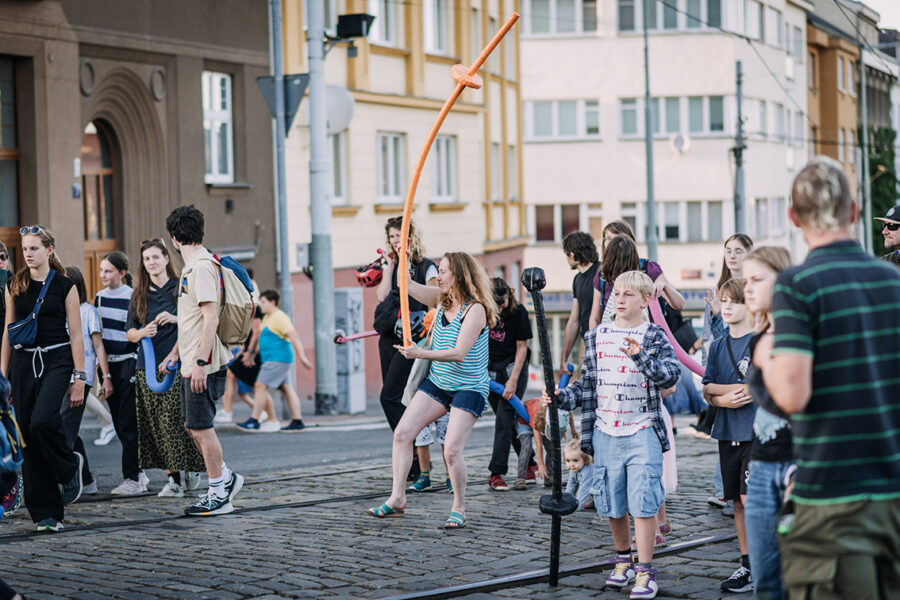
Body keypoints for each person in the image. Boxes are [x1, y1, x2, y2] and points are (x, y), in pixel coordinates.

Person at [761, 157, 900, 599]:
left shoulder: (798, 285)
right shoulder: (893, 280)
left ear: (793, 217)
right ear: (855, 213)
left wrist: (765, 357)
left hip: (832, 500)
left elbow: (794, 394)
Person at [550, 270, 680, 599]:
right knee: (613, 501)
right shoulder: (596, 336)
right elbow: (588, 383)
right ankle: (623, 559)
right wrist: (563, 396)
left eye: (628, 295)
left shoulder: (653, 335)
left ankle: (645, 571)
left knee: (643, 500)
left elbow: (669, 376)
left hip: (643, 429)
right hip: (606, 431)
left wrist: (640, 356)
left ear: (646, 300)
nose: (619, 299)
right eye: (616, 294)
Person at [368, 252, 497, 530]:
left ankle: (459, 507)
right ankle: (397, 497)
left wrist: (420, 353)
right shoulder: (441, 299)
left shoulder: (475, 310)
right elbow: (407, 286)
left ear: (460, 275)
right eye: (438, 270)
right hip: (439, 383)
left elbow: (460, 353)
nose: (438, 276)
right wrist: (399, 260)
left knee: (451, 450)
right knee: (402, 434)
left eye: (444, 271)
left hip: (469, 387)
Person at [1, 225, 86, 532]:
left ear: (49, 250)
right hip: (23, 363)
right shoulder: (15, 285)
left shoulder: (65, 285)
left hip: (57, 358)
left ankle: (67, 466)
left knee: (42, 421)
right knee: (27, 436)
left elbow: (76, 335)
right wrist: (3, 378)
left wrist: (80, 376)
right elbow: (7, 334)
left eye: (34, 248)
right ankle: (47, 514)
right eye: (24, 249)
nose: (28, 254)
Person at [162, 205, 243, 516]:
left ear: (174, 239)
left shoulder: (202, 268)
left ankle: (219, 493)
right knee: (193, 426)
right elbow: (192, 320)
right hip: (192, 361)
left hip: (203, 364)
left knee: (202, 427)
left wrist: (199, 362)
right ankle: (225, 479)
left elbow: (210, 318)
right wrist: (176, 355)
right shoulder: (192, 267)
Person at [126, 238, 205, 498]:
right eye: (147, 259)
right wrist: (141, 332)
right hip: (147, 368)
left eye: (156, 257)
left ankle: (192, 467)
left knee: (179, 420)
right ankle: (173, 481)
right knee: (159, 426)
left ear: (167, 259)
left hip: (178, 363)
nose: (152, 262)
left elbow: (198, 319)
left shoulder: (179, 287)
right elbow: (129, 333)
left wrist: (175, 318)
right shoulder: (139, 294)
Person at [741, 246, 793, 600]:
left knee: (798, 580)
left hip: (796, 465)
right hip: (761, 465)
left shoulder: (802, 332)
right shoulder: (759, 335)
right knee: (765, 582)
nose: (747, 288)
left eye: (757, 279)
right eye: (745, 280)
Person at [702, 278, 756, 594]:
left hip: (756, 433)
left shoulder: (760, 341)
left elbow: (762, 388)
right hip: (727, 432)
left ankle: (768, 561)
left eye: (734, 300)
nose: (727, 306)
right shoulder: (718, 346)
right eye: (723, 301)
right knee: (736, 500)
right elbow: (707, 387)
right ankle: (747, 565)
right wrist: (723, 397)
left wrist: (721, 392)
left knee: (753, 501)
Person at [374, 217, 438, 431]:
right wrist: (390, 267)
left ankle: (408, 438)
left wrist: (431, 336)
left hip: (414, 337)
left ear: (410, 237)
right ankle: (409, 445)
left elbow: (434, 302)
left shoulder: (426, 266)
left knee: (391, 396)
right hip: (390, 335)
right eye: (391, 236)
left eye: (398, 236)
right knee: (394, 395)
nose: (394, 240)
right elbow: (382, 297)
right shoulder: (392, 265)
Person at [96, 250, 146, 495]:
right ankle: (139, 473)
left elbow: (138, 332)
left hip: (128, 361)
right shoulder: (99, 298)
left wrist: (135, 360)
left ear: (122, 273)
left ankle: (132, 477)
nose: (103, 275)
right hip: (108, 365)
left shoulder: (133, 296)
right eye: (102, 270)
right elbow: (99, 337)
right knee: (117, 421)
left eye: (108, 271)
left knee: (127, 422)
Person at [236, 289, 312, 432]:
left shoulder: (280, 317)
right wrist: (251, 354)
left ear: (273, 302)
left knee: (259, 386)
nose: (261, 305)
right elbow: (262, 339)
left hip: (277, 359)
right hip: (273, 359)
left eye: (263, 302)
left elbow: (294, 337)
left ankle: (254, 421)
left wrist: (302, 357)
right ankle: (297, 422)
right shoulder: (267, 317)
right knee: (287, 388)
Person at [64, 266, 110, 495]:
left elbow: (98, 344)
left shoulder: (88, 311)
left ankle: (68, 481)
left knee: (65, 429)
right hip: (61, 375)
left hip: (82, 377)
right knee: (67, 428)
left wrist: (105, 376)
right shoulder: (59, 311)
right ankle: (87, 479)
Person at [486, 277, 534, 492]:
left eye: (502, 303)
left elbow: (522, 347)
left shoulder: (518, 312)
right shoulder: (483, 310)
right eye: (494, 304)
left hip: (514, 367)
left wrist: (512, 381)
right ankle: (530, 464)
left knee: (504, 418)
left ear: (509, 295)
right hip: (490, 370)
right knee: (507, 419)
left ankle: (496, 473)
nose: (499, 308)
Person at [590, 221, 684, 328]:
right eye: (607, 238)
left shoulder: (648, 269)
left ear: (627, 241)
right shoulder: (602, 276)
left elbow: (679, 304)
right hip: (614, 340)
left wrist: (665, 286)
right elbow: (595, 318)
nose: (610, 242)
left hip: (647, 339)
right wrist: (594, 343)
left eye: (614, 238)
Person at [558, 231, 599, 374]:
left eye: (566, 255)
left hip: (603, 342)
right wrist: (564, 358)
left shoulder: (602, 273)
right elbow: (573, 321)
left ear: (572, 255)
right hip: (585, 343)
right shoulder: (578, 280)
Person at [563, 439, 595, 511]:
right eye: (568, 461)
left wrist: (578, 506)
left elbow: (584, 489)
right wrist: (566, 502)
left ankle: (595, 501)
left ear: (584, 459)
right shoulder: (574, 470)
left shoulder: (588, 471)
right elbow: (571, 486)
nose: (572, 464)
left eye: (575, 460)